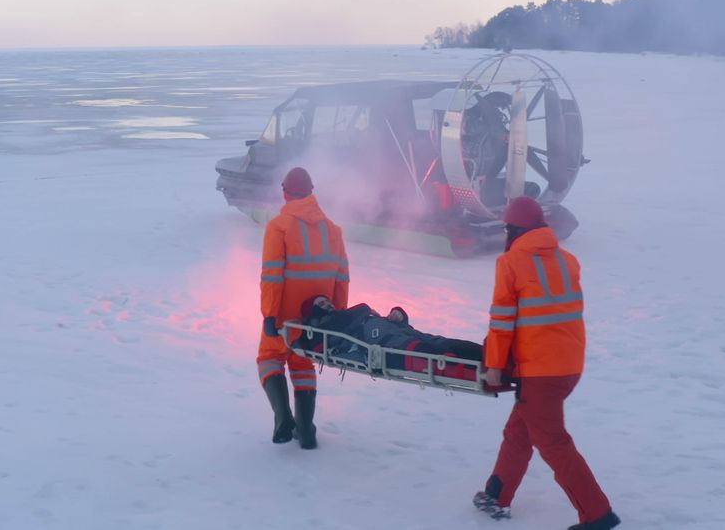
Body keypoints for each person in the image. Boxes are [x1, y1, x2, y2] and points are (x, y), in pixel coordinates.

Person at [473, 197, 621, 530]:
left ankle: (597, 515)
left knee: (553, 443)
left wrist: (494, 366)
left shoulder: (510, 262)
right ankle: (496, 494)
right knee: (519, 430)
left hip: (540, 371)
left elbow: (502, 322)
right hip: (569, 366)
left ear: (513, 229)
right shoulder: (568, 260)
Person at [258, 167, 348, 450]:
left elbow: (272, 276)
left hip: (284, 315)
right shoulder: (333, 229)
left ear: (285, 192)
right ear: (311, 192)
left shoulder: (278, 226)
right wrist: (338, 317)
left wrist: (269, 314)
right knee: (302, 362)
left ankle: (283, 418)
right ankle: (306, 430)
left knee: (269, 358)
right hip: (318, 315)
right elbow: (342, 277)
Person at [297, 295, 485, 380]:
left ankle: (493, 356)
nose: (328, 304)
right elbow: (362, 308)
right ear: (312, 312)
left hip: (403, 333)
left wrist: (398, 315)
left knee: (446, 343)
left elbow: (367, 312)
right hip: (389, 345)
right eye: (321, 303)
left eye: (327, 301)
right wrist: (364, 310)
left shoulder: (348, 316)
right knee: (434, 353)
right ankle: (482, 370)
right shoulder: (322, 332)